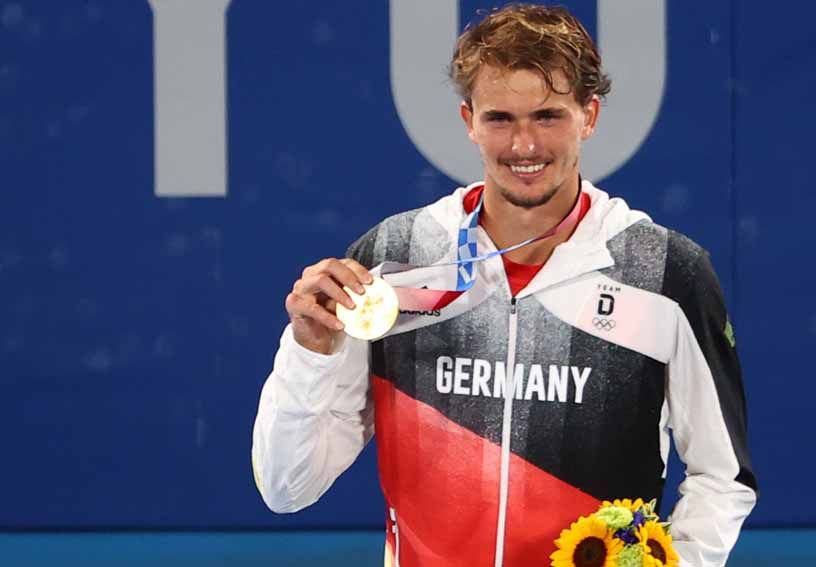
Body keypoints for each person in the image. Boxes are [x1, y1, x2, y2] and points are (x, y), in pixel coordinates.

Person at [252, 4, 757, 566]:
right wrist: (309, 353)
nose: (524, 145)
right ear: (468, 120)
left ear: (589, 116)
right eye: (500, 118)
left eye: (548, 116)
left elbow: (723, 475)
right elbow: (287, 488)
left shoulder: (666, 273)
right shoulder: (395, 260)